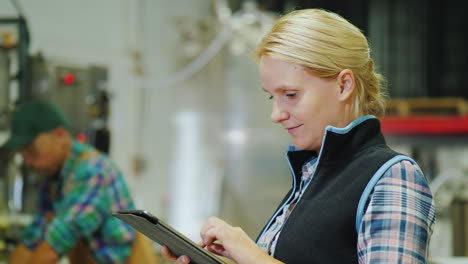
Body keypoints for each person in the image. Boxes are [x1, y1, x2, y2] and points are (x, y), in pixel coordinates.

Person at [161, 8, 436, 264]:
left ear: (344, 85)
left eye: (290, 95)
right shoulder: (312, 177)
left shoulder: (392, 177)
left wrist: (251, 254)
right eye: (272, 96)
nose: (276, 114)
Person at [3, 101, 150, 264]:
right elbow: (33, 239)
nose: (28, 162)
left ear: (60, 135)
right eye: (24, 155)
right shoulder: (54, 178)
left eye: (32, 152)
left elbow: (53, 247)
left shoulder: (93, 170)